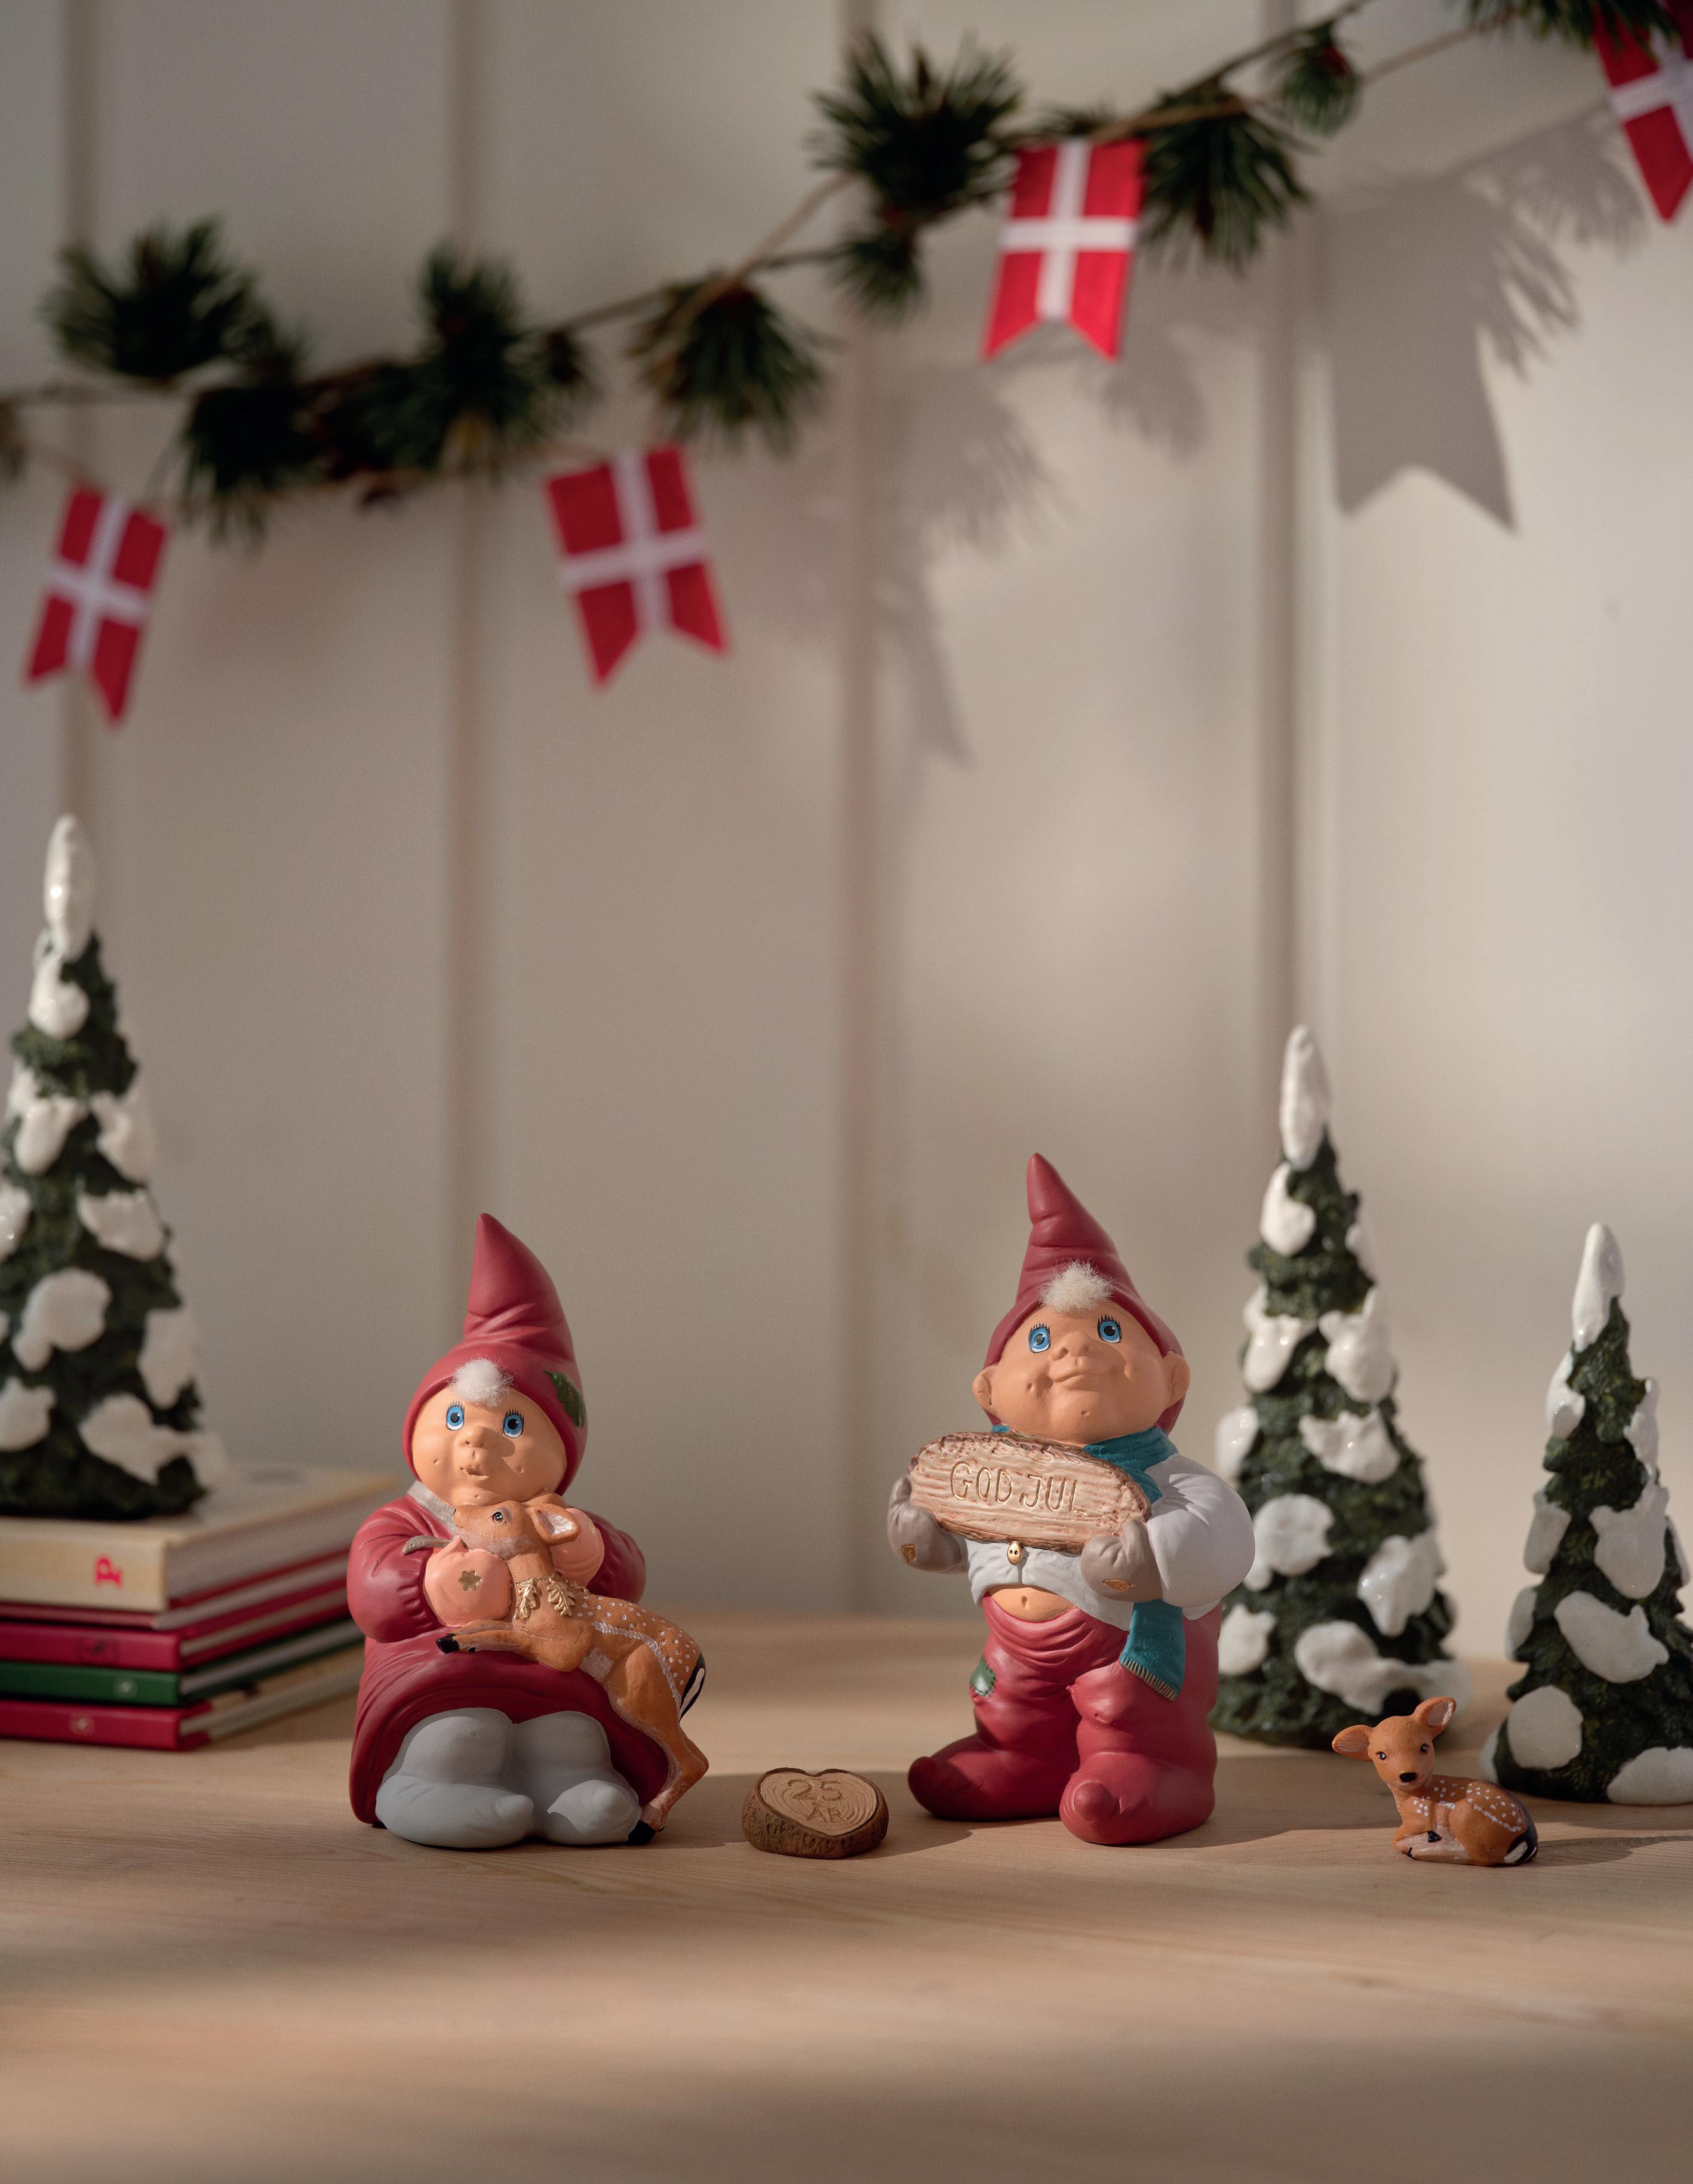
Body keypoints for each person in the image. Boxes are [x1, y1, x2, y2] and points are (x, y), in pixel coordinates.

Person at [889, 1155, 1254, 1845]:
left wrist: (1155, 1557)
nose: (1076, 1351)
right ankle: (1020, 1758)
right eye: (1041, 1338)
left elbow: (1226, 1534)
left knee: (1127, 1709)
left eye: (1109, 1331)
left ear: (1172, 1377)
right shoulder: (991, 1471)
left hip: (1128, 1644)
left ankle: (1156, 1769)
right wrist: (927, 1538)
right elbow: (965, 1531)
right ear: (990, 1390)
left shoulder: (1171, 1478)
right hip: (1017, 1646)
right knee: (1011, 1702)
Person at [347, 1215, 666, 1848]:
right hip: (440, 1668)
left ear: (561, 1453)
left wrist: (588, 1554)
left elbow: (627, 1574)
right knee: (467, 1730)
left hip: (549, 1671)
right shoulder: (406, 1521)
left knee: (570, 1731)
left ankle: (571, 1786)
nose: (476, 1442)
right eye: (455, 1418)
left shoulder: (553, 1519)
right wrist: (430, 1585)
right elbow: (372, 1590)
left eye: (513, 1426)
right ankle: (426, 1784)